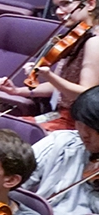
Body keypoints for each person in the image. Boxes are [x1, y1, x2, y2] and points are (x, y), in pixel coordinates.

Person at [0, 0, 99, 132]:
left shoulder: (95, 42)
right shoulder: (78, 36)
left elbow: (85, 95)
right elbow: (61, 87)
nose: (58, 12)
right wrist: (17, 91)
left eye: (65, 4)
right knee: (1, 127)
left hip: (77, 124)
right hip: (59, 115)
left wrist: (49, 75)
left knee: (8, 135)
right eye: (56, 6)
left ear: (90, 4)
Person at [23, 86, 99, 214]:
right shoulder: (60, 141)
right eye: (80, 124)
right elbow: (18, 177)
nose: (84, 134)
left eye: (92, 129)